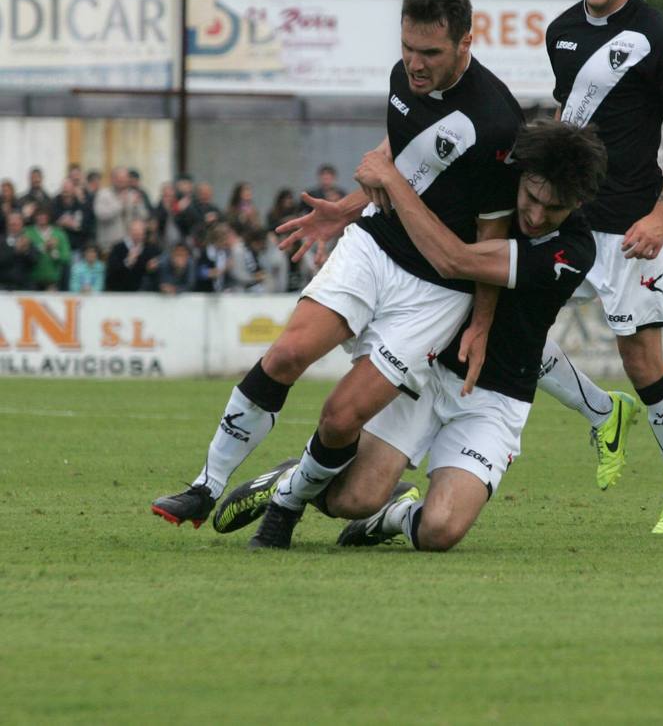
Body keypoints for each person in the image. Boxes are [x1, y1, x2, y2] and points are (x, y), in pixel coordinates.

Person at [150, 0, 523, 531]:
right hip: (374, 244)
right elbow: (406, 160)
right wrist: (344, 210)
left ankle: (286, 501)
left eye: (430, 53)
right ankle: (205, 485)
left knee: (342, 415)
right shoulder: (403, 79)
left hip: (438, 292)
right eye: (407, 48)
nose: (415, 64)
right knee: (284, 356)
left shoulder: (498, 122)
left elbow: (491, 237)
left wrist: (483, 324)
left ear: (466, 43)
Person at [215, 120, 608, 551]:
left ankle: (396, 514)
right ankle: (294, 478)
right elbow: (422, 158)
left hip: (496, 393)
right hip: (427, 366)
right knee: (353, 498)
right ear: (521, 174)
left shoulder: (572, 252)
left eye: (553, 209)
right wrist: (349, 207)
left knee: (440, 531)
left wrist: (390, 179)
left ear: (578, 202)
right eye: (531, 198)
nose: (535, 215)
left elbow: (455, 260)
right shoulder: (487, 186)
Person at [535, 0, 663, 533]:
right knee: (512, 329)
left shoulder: (659, 38)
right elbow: (571, 122)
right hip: (570, 223)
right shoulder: (559, 32)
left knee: (641, 360)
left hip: (634, 228)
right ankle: (599, 413)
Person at [104, 218, 161, 292]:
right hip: (120, 293)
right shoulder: (118, 248)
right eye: (135, 232)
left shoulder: (151, 249)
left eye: (140, 232)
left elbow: (154, 275)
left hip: (143, 294)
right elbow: (111, 273)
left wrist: (152, 269)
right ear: (129, 232)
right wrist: (127, 262)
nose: (138, 235)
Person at [24, 205, 71, 290]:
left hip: (53, 281)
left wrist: (54, 251)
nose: (42, 218)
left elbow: (66, 257)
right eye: (39, 215)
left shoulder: (59, 234)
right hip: (32, 281)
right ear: (35, 217)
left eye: (44, 215)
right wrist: (42, 248)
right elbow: (24, 255)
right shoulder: (28, 232)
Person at [0, 211, 35, 289]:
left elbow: (34, 261)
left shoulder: (28, 240)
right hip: (3, 285)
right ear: (7, 225)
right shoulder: (1, 240)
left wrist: (26, 251)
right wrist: (15, 250)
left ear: (22, 225)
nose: (14, 227)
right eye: (11, 224)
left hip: (24, 286)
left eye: (16, 224)